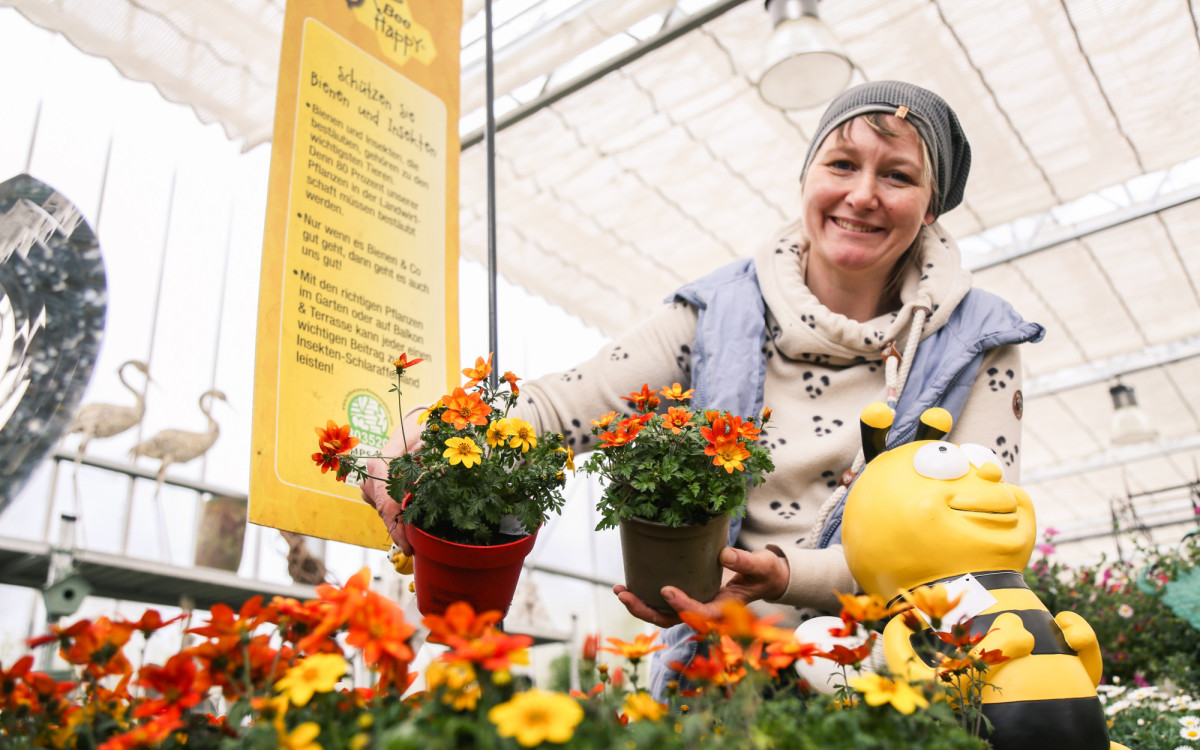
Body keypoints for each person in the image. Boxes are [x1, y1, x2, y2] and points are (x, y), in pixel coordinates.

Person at [362, 81, 1043, 692]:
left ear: (929, 209)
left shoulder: (978, 340)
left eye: (897, 176)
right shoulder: (720, 312)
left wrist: (787, 579)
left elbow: (969, 551)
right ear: (806, 177)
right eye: (841, 164)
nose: (862, 194)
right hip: (715, 679)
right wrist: (425, 432)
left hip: (890, 683)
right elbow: (565, 406)